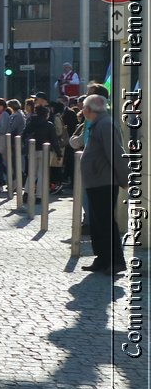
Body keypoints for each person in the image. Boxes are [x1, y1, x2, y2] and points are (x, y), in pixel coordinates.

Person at [74, 93, 128, 275]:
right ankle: (102, 258)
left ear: (89, 110)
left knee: (105, 223)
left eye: (83, 107)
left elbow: (116, 154)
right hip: (96, 182)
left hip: (104, 181)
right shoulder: (98, 124)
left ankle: (116, 261)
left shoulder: (105, 124)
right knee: (97, 223)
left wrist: (124, 179)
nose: (82, 110)